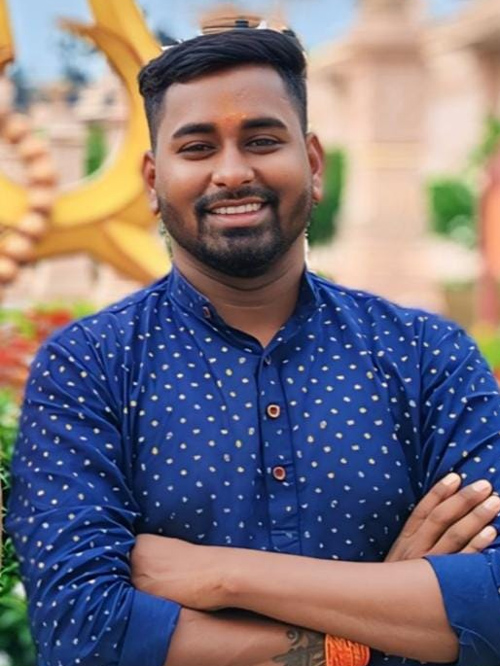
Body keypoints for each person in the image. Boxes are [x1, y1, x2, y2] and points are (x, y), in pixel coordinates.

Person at [6, 25, 500, 666]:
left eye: (262, 140)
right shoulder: (88, 368)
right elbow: (82, 632)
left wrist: (222, 577)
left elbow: (494, 603)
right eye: (198, 147)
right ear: (153, 181)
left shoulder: (428, 357)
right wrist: (379, 630)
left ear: (313, 164)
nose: (233, 172)